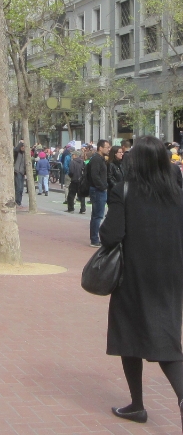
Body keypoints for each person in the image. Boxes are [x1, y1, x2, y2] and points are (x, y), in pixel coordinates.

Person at [99, 136, 183, 428]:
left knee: (131, 336)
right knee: (165, 336)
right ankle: (143, 404)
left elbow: (110, 235)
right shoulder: (176, 192)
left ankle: (138, 404)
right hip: (171, 276)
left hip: (133, 277)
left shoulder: (125, 190)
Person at [88, 139, 111, 247]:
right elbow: (95, 175)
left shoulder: (100, 159)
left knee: (97, 215)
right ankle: (94, 239)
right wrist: (102, 187)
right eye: (107, 147)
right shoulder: (96, 159)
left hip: (99, 189)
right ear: (100, 148)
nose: (108, 149)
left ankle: (95, 238)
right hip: (98, 190)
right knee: (98, 215)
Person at [13, 141, 26, 209]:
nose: (23, 148)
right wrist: (20, 143)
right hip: (17, 171)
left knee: (21, 188)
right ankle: (17, 201)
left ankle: (19, 201)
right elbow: (15, 150)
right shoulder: (17, 153)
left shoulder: (25, 154)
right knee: (18, 187)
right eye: (22, 147)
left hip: (22, 172)